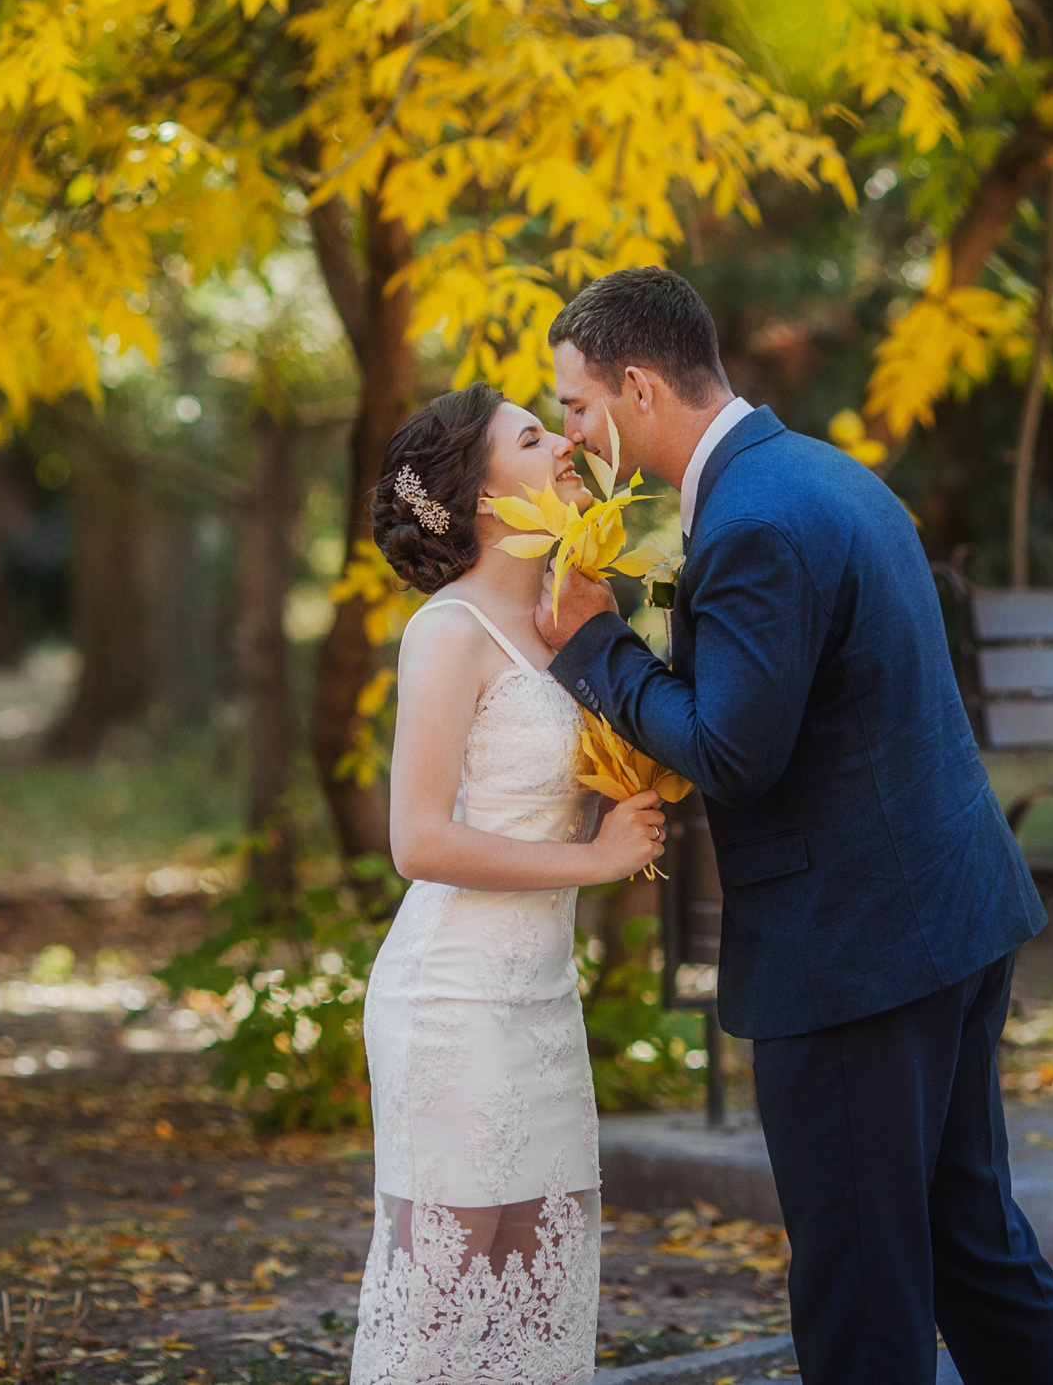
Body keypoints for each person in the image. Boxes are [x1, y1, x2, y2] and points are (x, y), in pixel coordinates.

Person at [533, 267, 1053, 1385]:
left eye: (575, 405)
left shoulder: (753, 524)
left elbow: (737, 752)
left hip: (858, 957)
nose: (569, 432)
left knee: (858, 1290)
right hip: (943, 920)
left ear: (639, 387)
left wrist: (597, 650)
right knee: (969, 1250)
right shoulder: (819, 475)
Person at [349, 382, 668, 1385]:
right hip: (451, 998)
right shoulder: (447, 633)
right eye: (534, 438)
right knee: (445, 1304)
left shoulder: (569, 614)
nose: (567, 446)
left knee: (543, 1284)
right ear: (488, 500)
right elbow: (419, 842)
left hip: (541, 1001)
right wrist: (597, 861)